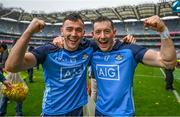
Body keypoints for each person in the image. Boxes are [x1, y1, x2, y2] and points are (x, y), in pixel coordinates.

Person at [5, 13, 135, 116]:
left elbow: (107, 41)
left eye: (78, 30)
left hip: (79, 110)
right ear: (62, 31)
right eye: (69, 29)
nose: (73, 34)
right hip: (53, 112)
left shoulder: (88, 47)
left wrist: (124, 41)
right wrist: (29, 32)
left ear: (84, 33)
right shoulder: (48, 50)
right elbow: (12, 66)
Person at [53, 15, 176, 116]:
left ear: (114, 32)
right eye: (98, 32)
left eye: (107, 31)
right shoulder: (92, 51)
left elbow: (167, 62)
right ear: (92, 35)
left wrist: (163, 31)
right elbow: (72, 43)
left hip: (123, 114)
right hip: (99, 112)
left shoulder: (129, 51)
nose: (102, 36)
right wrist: (59, 39)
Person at [0, 43, 23, 116]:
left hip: (18, 77)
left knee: (18, 95)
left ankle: (18, 112)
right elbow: (4, 64)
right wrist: (3, 69)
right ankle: (2, 111)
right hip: (7, 76)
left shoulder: (21, 53)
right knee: (5, 95)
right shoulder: (7, 52)